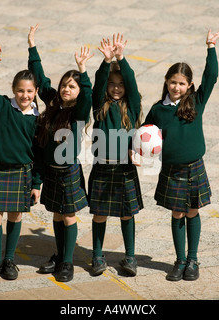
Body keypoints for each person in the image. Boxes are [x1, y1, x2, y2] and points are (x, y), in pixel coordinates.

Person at [142, 29, 219, 281]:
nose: (176, 87)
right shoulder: (158, 109)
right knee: (177, 213)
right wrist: (136, 151)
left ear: (189, 85)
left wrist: (211, 47)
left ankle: (193, 260)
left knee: (192, 212)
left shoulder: (196, 101)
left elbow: (210, 76)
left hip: (194, 167)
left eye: (181, 83)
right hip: (171, 170)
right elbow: (144, 133)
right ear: (166, 82)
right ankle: (179, 261)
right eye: (172, 82)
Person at [27, 24, 93, 282]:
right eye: (65, 84)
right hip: (50, 172)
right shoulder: (53, 103)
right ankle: (59, 254)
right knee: (56, 214)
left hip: (68, 171)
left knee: (68, 216)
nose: (67, 89)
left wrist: (83, 72)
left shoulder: (77, 114)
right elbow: (41, 80)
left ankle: (67, 262)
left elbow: (87, 98)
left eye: (72, 87)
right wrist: (32, 47)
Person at [0, 46, 42, 281]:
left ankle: (10, 260)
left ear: (35, 92)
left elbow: (39, 153)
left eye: (30, 91)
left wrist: (36, 183)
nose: (25, 95)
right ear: (13, 90)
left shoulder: (37, 119)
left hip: (22, 172)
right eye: (21, 91)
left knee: (15, 215)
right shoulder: (3, 105)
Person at [88, 34, 143, 277]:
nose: (117, 88)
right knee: (99, 213)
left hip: (124, 169)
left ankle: (130, 257)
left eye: (120, 84)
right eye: (113, 84)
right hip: (102, 167)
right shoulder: (100, 105)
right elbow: (98, 84)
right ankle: (97, 256)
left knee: (126, 212)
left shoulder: (130, 106)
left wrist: (121, 58)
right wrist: (106, 62)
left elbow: (131, 84)